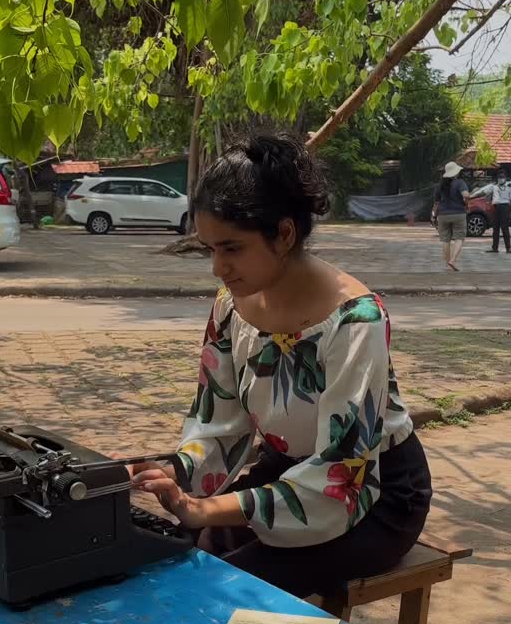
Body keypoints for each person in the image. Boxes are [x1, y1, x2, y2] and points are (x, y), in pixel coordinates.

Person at [129, 132, 432, 599]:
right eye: (209, 249)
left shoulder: (355, 319)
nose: (218, 268)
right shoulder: (232, 305)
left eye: (231, 248)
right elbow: (219, 425)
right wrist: (176, 473)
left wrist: (206, 510)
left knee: (226, 587)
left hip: (373, 493)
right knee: (170, 554)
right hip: (290, 477)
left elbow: (341, 471)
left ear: (284, 233)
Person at [431, 161, 469, 272]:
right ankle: (452, 261)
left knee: (445, 240)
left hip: (443, 215)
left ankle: (448, 265)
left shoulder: (440, 186)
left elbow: (436, 204)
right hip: (458, 214)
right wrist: (467, 201)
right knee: (459, 238)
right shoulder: (460, 182)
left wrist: (433, 216)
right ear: (456, 173)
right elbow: (466, 195)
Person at [470, 169, 511, 254]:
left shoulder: (509, 187)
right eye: (499, 177)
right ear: (497, 178)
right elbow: (482, 192)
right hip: (496, 207)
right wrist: (471, 197)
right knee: (495, 228)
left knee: (505, 228)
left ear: (505, 178)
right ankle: (495, 248)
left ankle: (508, 248)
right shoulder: (494, 187)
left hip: (505, 207)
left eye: (502, 177)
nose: (501, 179)